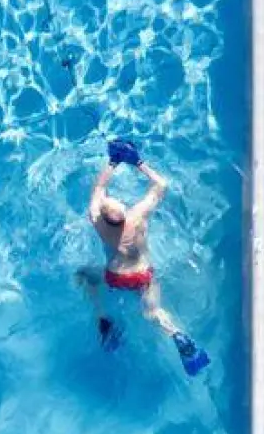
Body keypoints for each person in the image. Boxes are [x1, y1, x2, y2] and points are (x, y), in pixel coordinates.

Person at [77, 139, 210, 375]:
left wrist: (112, 162)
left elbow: (98, 189)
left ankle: (103, 320)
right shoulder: (137, 217)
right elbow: (161, 184)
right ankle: (178, 337)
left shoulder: (98, 221)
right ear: (123, 212)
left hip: (115, 276)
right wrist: (138, 162)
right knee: (152, 311)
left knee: (85, 276)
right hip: (141, 274)